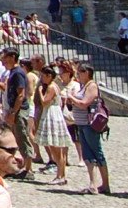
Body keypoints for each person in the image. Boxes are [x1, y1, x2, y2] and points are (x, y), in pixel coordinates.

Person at [62, 62, 109, 194]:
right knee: (88, 154)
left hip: (90, 124)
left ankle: (105, 184)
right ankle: (93, 184)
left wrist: (71, 97)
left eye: (80, 72)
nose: (78, 75)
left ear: (87, 73)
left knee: (97, 152)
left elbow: (84, 104)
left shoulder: (92, 86)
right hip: (81, 123)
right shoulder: (83, 86)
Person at [34, 64, 71, 185]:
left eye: (43, 76)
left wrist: (40, 92)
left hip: (51, 113)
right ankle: (61, 175)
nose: (42, 79)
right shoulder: (55, 86)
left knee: (55, 147)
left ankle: (61, 175)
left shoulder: (51, 87)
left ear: (49, 76)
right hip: (54, 112)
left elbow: (45, 102)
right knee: (57, 147)